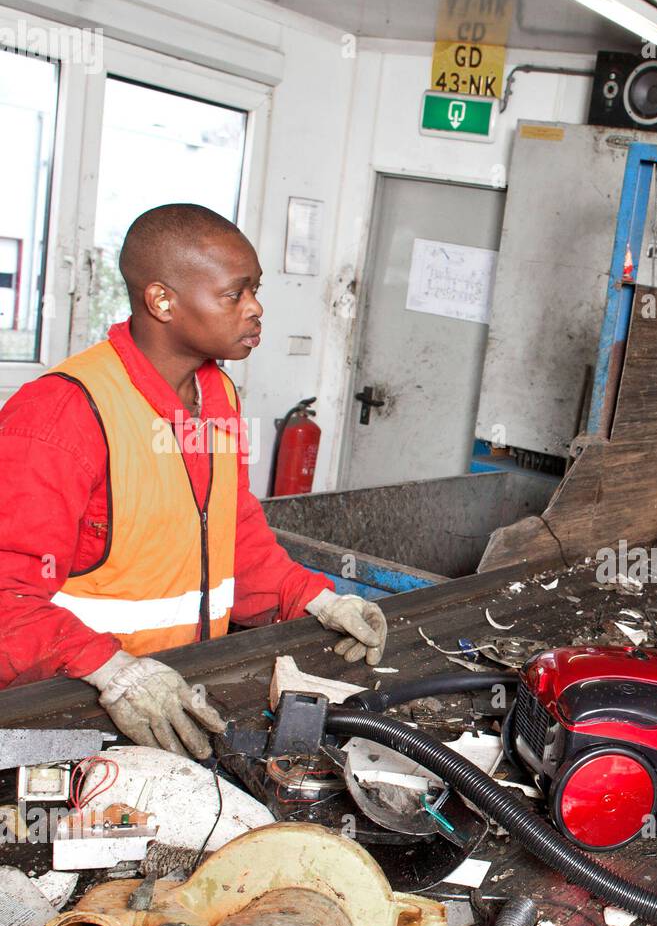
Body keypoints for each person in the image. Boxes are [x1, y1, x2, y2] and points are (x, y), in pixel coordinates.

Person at [0, 203, 387, 758]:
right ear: (161, 300)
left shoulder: (218, 397)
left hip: (179, 690)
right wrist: (116, 672)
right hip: (72, 705)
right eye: (235, 294)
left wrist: (315, 600)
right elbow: (7, 597)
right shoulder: (60, 414)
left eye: (256, 290)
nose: (255, 310)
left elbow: (230, 532)